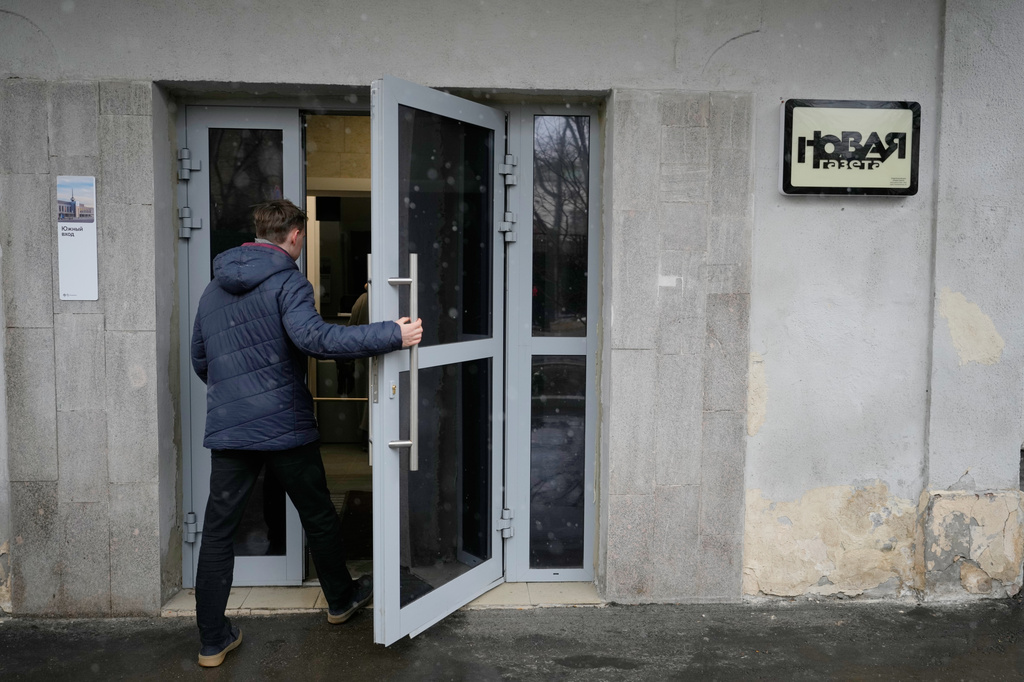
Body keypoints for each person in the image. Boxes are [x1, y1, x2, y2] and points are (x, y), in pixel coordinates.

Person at [190, 199, 422, 667]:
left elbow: (200, 358)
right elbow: (316, 340)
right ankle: (340, 600)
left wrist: (237, 396)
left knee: (217, 533)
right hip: (284, 426)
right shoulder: (287, 281)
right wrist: (390, 335)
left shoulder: (213, 289)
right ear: (295, 235)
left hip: (231, 428)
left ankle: (213, 640)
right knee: (317, 513)